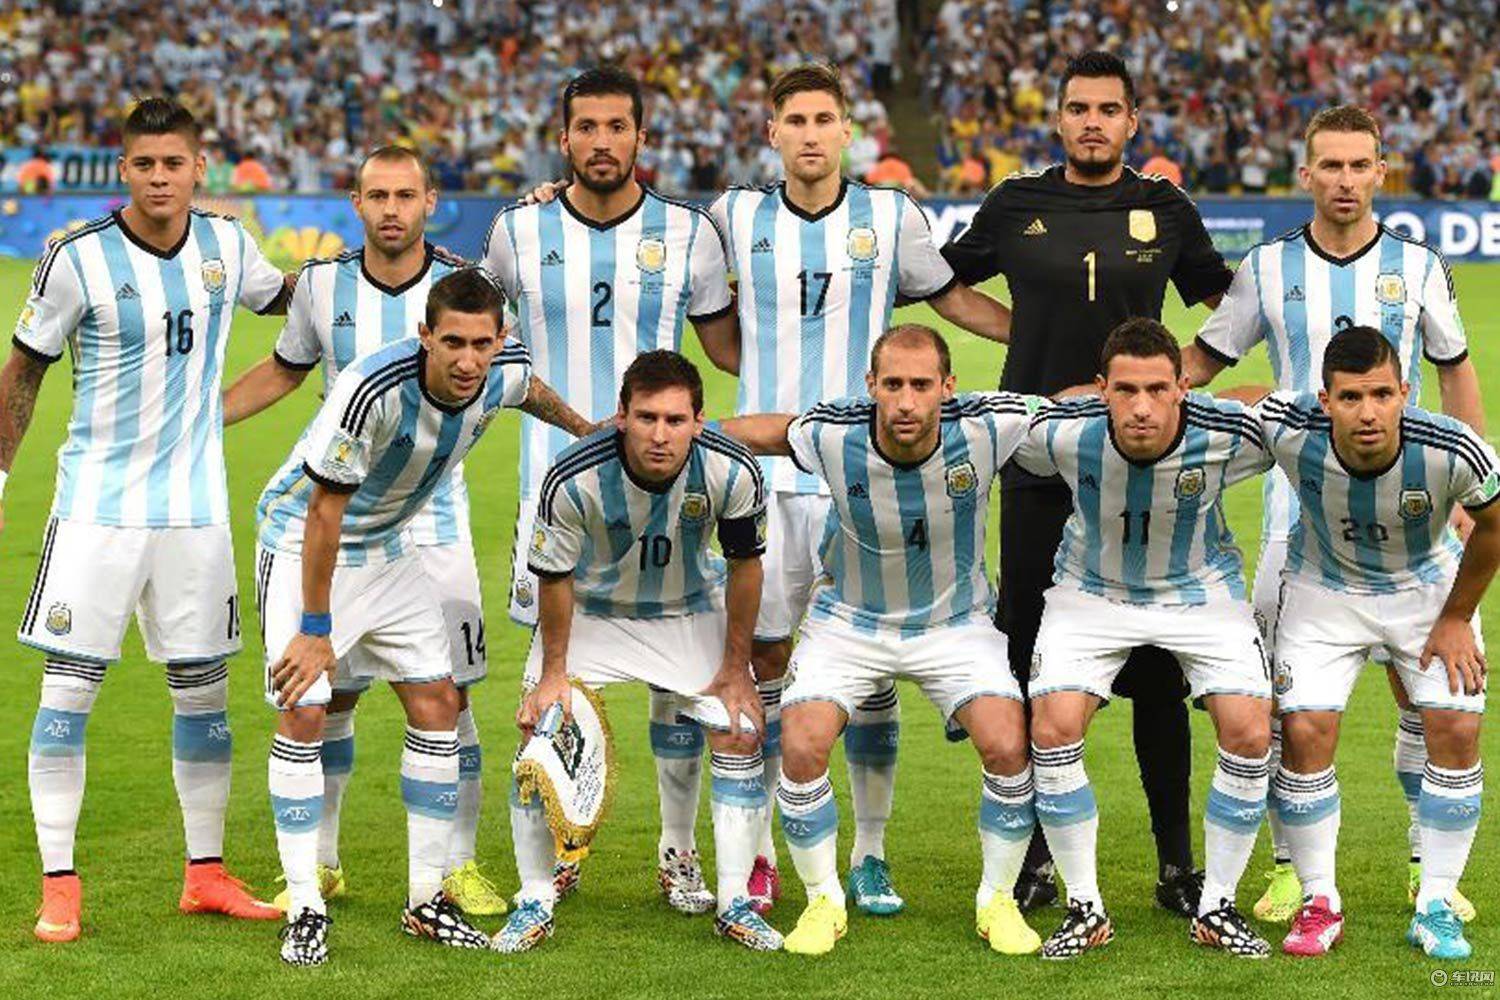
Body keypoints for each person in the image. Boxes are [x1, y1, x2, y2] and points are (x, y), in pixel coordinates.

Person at [708, 61, 1012, 916]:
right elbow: (712, 331)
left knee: (871, 667)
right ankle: (762, 851)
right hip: (767, 476)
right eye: (795, 120)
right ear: (772, 132)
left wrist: (1054, 337)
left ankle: (870, 854)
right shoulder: (732, 216)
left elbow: (955, 302)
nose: (810, 134)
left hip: (864, 478)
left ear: (850, 131)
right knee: (766, 661)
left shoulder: (891, 215)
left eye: (824, 119)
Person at [940, 50, 1235, 916]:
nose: (1093, 122)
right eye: (1079, 108)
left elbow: (1231, 304)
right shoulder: (1016, 203)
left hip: (1145, 466)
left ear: (1132, 120)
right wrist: (1021, 330)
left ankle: (1176, 863)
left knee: (1157, 667)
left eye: (1109, 109)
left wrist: (1176, 381)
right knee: (1033, 654)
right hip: (1040, 462)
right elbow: (942, 285)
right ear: (1059, 118)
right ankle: (1035, 854)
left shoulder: (1165, 207)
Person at [1182, 104, 1485, 924]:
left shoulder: (1417, 266)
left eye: (1360, 165)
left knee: (1424, 695)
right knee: (1289, 711)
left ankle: (1428, 869)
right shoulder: (1266, 266)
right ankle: (1290, 869)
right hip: (1297, 521)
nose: (1345, 180)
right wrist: (1132, 389)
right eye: (1331, 165)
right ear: (1305, 173)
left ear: (1380, 171)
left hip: (1412, 512)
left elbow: (1454, 371)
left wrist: (1467, 485)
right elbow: (1204, 360)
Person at [0, 97, 291, 944]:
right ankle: (60, 883)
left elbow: (295, 299)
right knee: (68, 692)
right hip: (97, 511)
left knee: (205, 695)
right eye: (144, 164)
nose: (160, 178)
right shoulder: (76, 259)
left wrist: (393, 258)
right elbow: (23, 373)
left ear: (200, 168)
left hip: (196, 513)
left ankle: (206, 875)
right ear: (123, 169)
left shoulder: (230, 245)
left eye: (174, 163)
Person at [256, 268, 590, 966]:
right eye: (453, 343)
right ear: (424, 337)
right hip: (301, 544)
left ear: (500, 339)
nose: (468, 360)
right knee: (306, 710)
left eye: (481, 344)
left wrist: (588, 433)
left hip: (387, 546)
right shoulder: (371, 391)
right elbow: (322, 513)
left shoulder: (500, 373)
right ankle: (305, 906)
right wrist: (315, 631)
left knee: (438, 701)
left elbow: (529, 388)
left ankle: (425, 900)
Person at [224, 145, 516, 918]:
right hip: (344, 518)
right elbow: (287, 369)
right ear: (356, 203)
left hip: (437, 521)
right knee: (335, 695)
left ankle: (457, 866)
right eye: (377, 196)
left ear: (430, 202)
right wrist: (205, 415)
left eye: (405, 196)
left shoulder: (467, 289)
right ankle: (321, 864)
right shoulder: (322, 284)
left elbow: (515, 375)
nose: (391, 209)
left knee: (452, 695)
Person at [484, 67, 740, 912]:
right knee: (554, 687)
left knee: (680, 689)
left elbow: (727, 347)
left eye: (616, 126)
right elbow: (483, 339)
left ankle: (678, 853)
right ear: (563, 139)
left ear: (641, 137)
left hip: (667, 491)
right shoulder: (515, 232)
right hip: (555, 494)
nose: (601, 142)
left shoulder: (690, 233)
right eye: (585, 127)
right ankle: (559, 850)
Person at [719, 324, 1045, 957]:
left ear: (948, 387)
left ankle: (997, 900)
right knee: (802, 745)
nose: (906, 401)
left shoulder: (988, 426)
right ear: (870, 385)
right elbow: (770, 431)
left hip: (955, 626)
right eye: (892, 384)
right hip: (850, 622)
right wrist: (688, 431)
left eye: (921, 385)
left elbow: (1069, 405)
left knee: (1009, 745)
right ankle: (823, 900)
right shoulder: (834, 433)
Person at [495, 350, 782, 954]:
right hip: (592, 615)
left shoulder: (733, 469)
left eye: (675, 420)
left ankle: (723, 894)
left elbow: (745, 568)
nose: (659, 435)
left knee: (737, 729)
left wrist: (736, 670)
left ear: (699, 421)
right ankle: (535, 898)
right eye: (646, 417)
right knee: (541, 733)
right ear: (621, 415)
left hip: (686, 609)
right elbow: (555, 579)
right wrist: (552, 673)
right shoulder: (571, 476)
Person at [1232, 327, 1497, 960]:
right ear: (1324, 400)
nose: (1368, 412)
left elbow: (1494, 526)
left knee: (1457, 727)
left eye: (1381, 394)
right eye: (1350, 397)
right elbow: (1238, 399)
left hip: (1426, 590)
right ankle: (1319, 900)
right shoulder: (1292, 426)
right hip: (1324, 591)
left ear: (1405, 392)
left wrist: (1457, 617)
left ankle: (1436, 903)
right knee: (1304, 731)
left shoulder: (1452, 447)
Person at [1017, 319, 1274, 959]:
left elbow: (1299, 414)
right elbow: (974, 421)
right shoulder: (1062, 431)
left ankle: (1217, 906)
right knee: (1053, 728)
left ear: (1183, 387)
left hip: (1200, 594)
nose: (1141, 407)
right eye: (1126, 389)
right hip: (1090, 592)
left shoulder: (1227, 432)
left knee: (1250, 731)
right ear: (1100, 389)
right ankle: (1085, 908)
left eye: (1158, 389)